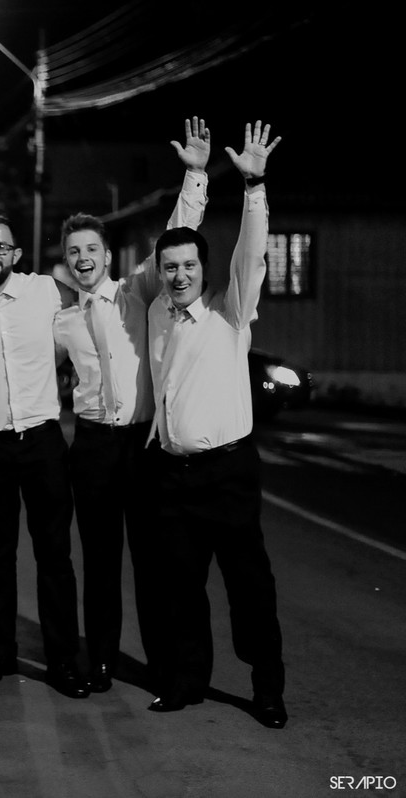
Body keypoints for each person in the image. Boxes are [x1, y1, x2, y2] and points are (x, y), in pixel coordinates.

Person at [52, 117, 210, 692]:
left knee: (151, 560)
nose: (83, 257)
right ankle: (101, 662)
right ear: (66, 259)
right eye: (74, 251)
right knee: (99, 562)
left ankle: (162, 667)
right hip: (93, 445)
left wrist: (195, 176)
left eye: (91, 248)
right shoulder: (61, 320)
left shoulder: (136, 290)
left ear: (106, 254)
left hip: (141, 445)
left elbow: (176, 235)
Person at [145, 121, 287, 730]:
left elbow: (250, 257)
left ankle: (268, 689)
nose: (179, 274)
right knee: (181, 587)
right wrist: (195, 177)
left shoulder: (231, 312)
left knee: (249, 586)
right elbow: (176, 230)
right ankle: (186, 682)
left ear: (205, 270)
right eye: (170, 267)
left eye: (189, 266)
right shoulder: (157, 311)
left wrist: (253, 188)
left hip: (228, 474)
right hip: (173, 475)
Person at [0, 214, 89, 699]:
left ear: (16, 254)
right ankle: (0, 652)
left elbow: (93, 303)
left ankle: (63, 660)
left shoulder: (44, 290)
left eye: (1, 247)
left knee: (54, 555)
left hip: (42, 441)